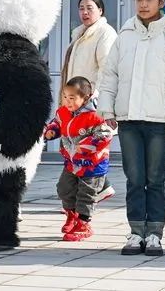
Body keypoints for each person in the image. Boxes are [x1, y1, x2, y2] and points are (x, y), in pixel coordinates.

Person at [99, 0, 165, 256]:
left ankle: (154, 234)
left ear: (162, 2)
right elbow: (110, 76)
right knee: (134, 178)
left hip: (158, 121)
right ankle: (135, 233)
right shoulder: (124, 36)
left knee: (155, 178)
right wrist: (107, 109)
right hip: (128, 120)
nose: (143, 4)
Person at [44, 76, 114, 242]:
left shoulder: (96, 115)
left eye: (72, 98)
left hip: (93, 164)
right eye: (65, 97)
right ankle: (72, 215)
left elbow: (105, 133)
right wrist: (52, 130)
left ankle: (83, 224)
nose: (67, 101)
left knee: (86, 194)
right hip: (72, 162)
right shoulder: (63, 112)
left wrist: (86, 145)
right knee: (64, 188)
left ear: (85, 98)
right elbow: (57, 123)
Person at [61, 0, 118, 100]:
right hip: (75, 98)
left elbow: (107, 69)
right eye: (81, 8)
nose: (85, 12)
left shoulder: (106, 33)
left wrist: (95, 96)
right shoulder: (78, 34)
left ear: (100, 11)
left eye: (89, 8)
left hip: (90, 99)